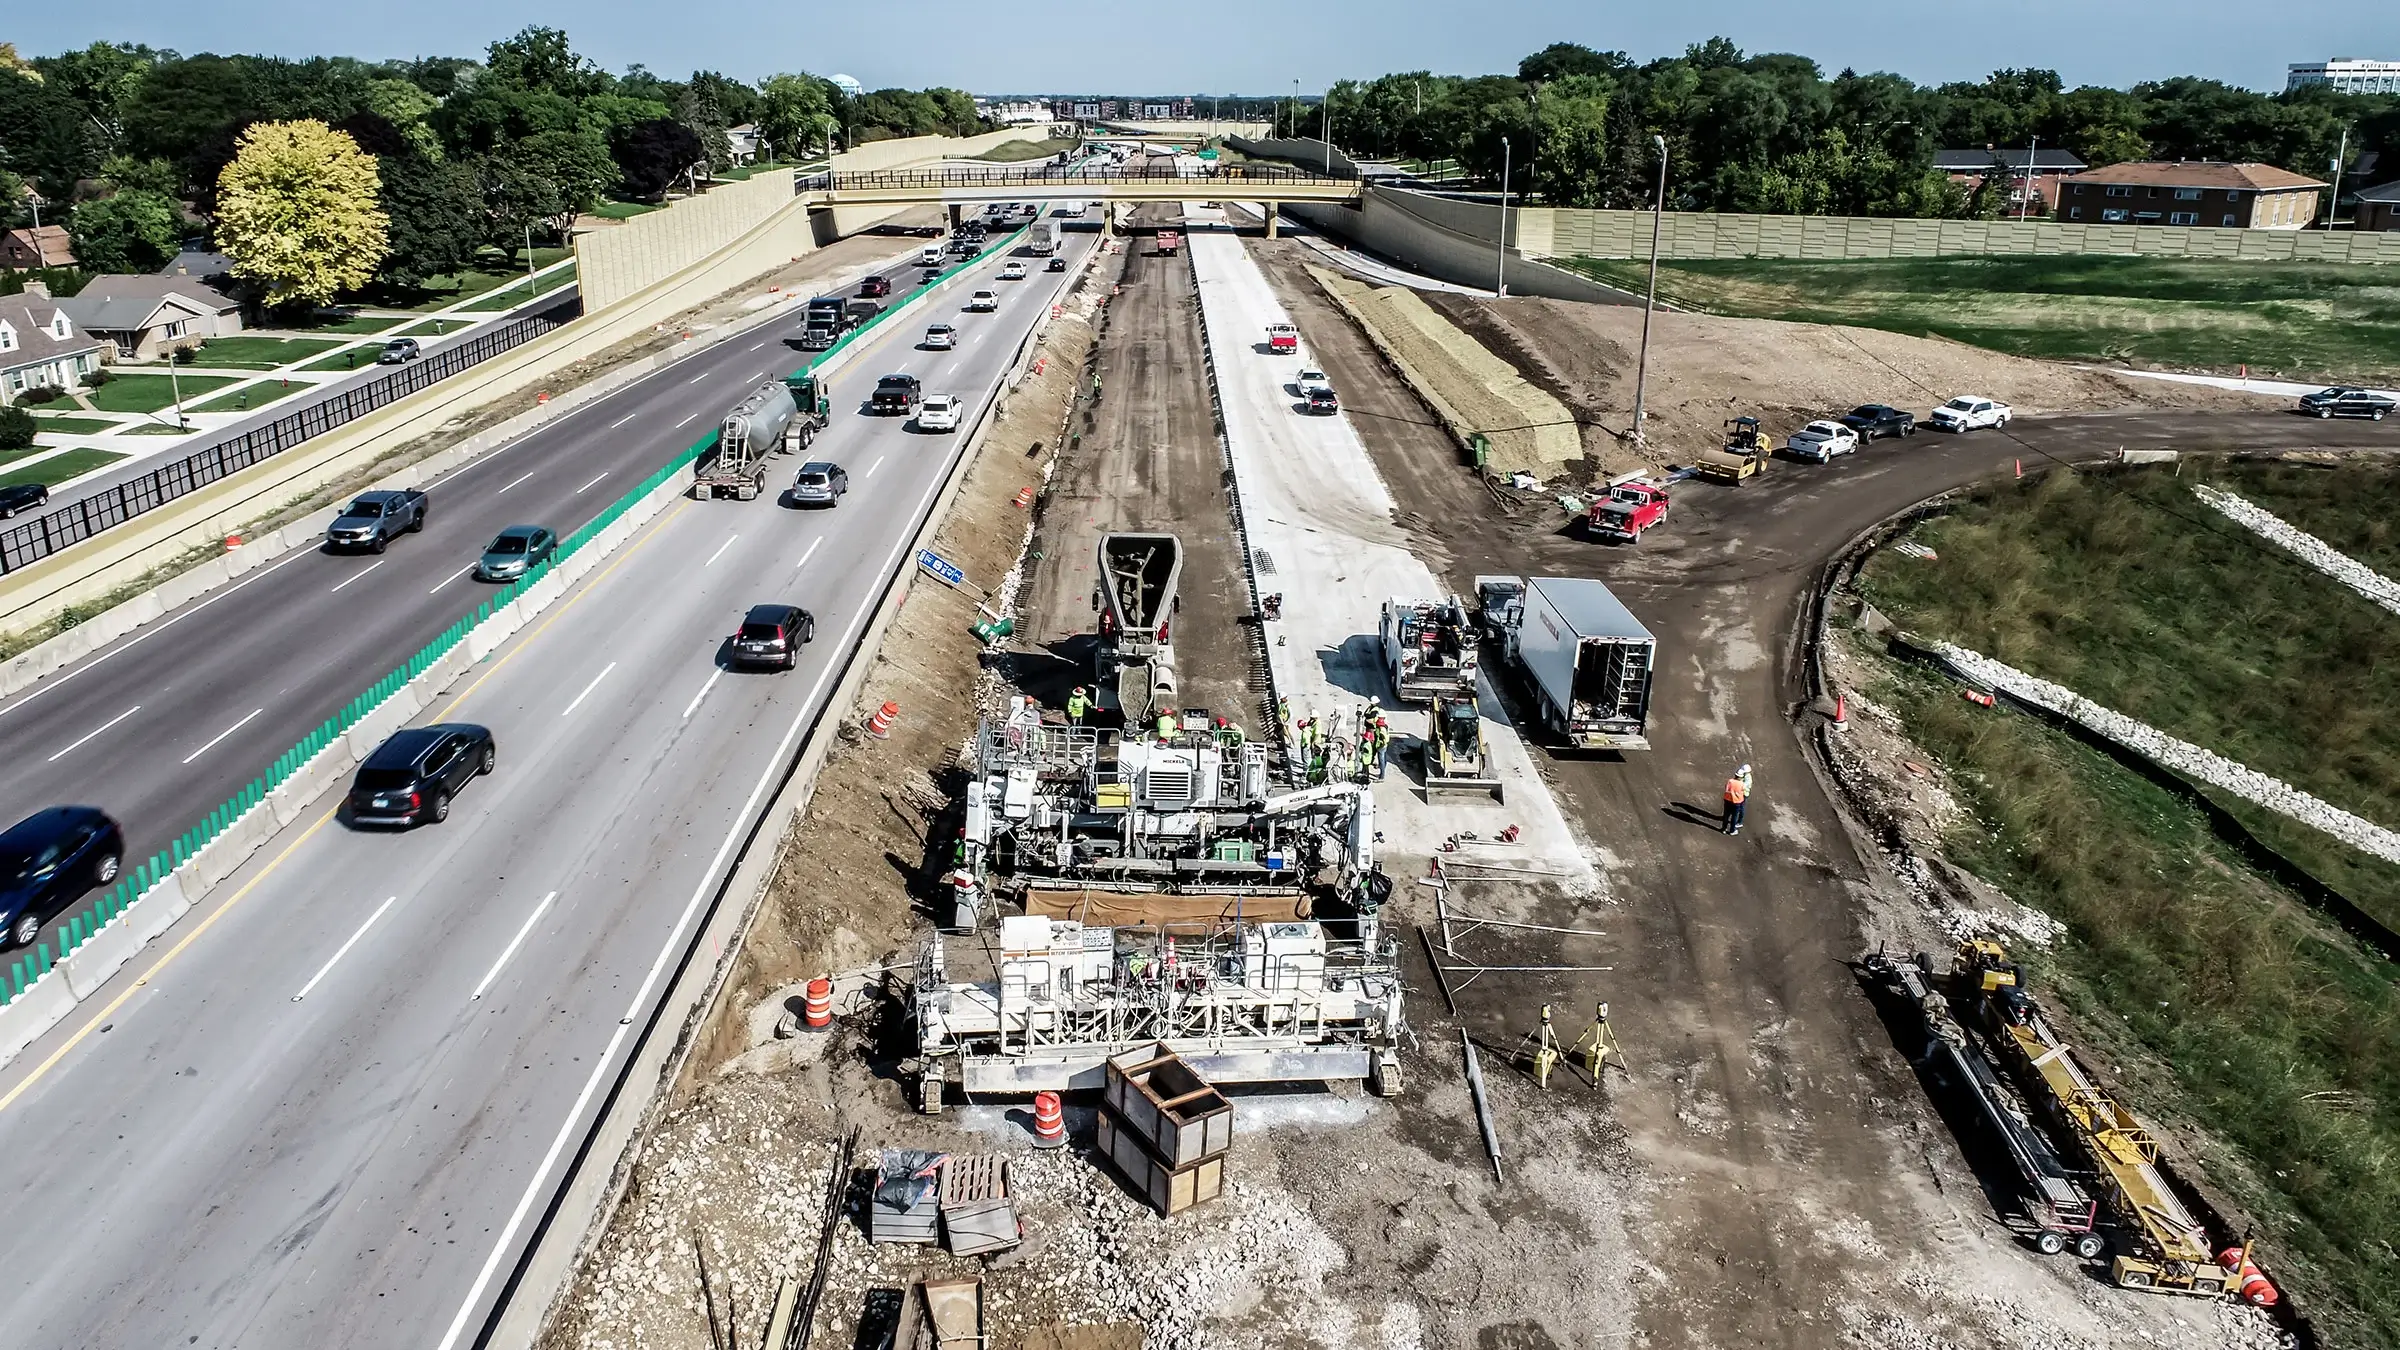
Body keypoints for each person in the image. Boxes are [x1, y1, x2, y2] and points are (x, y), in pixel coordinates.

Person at [1723, 763, 1752, 835]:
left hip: (1729, 800)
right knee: (1734, 816)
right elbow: (1742, 788)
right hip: (1737, 801)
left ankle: (1725, 828)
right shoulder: (1741, 783)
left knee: (1727, 815)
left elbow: (1727, 789)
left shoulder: (1731, 781)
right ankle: (1732, 829)